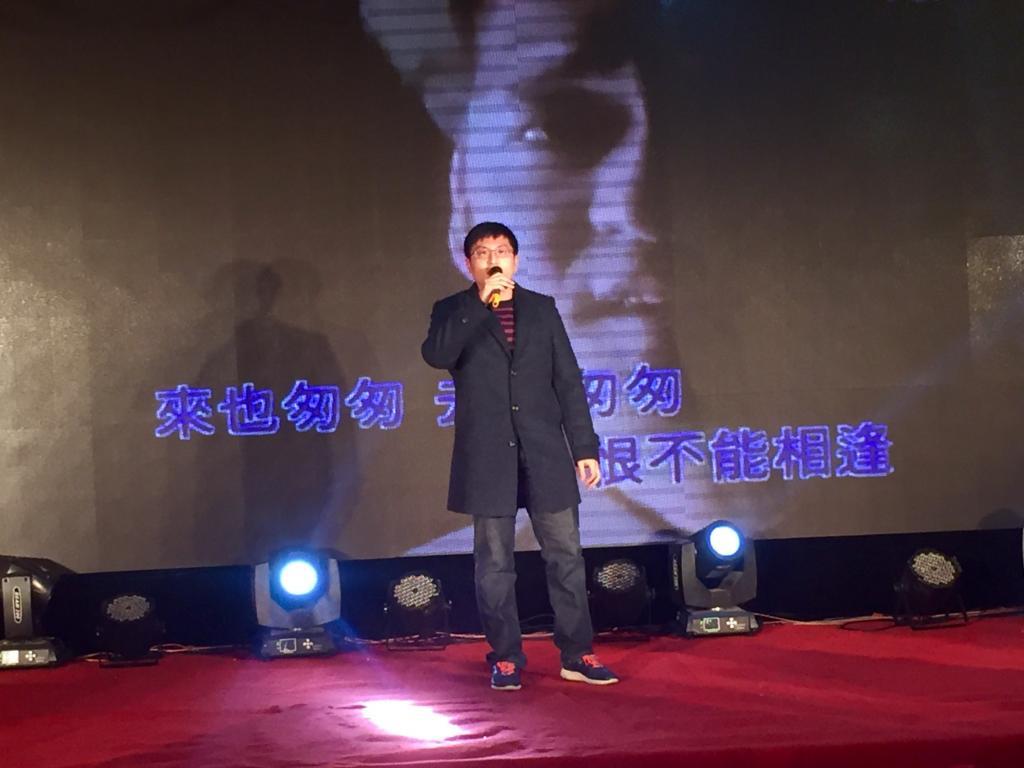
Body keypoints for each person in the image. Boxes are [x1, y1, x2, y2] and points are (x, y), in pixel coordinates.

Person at [422, 221, 619, 690]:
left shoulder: (542, 308)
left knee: (566, 556)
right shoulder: (453, 310)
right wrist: (480, 304)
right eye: (483, 252)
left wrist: (584, 447)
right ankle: (506, 656)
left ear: (516, 260)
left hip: (544, 452)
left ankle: (577, 653)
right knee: (494, 565)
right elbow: (437, 354)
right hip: (487, 457)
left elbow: (567, 381)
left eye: (502, 251)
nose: (494, 259)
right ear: (468, 262)